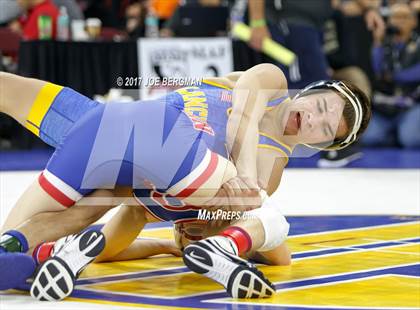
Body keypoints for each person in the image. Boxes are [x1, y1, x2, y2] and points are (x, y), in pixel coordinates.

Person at [0, 64, 371, 298]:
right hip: (114, 127)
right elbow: (243, 113)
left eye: (323, 131)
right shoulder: (270, 82)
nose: (311, 120)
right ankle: (31, 252)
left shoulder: (271, 166)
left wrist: (173, 245)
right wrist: (240, 180)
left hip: (131, 163)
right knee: (9, 88)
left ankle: (37, 253)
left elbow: (110, 245)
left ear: (321, 145)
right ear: (311, 90)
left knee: (99, 211)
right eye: (319, 107)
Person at [362, 2, 420, 148]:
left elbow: (416, 74)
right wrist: (377, 43)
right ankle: (395, 134)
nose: (399, 21)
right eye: (395, 17)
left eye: (404, 17)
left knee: (410, 140)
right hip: (385, 105)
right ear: (388, 21)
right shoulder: (382, 43)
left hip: (411, 103)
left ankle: (401, 132)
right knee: (368, 139)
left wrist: (393, 76)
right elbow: (377, 71)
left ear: (414, 21)